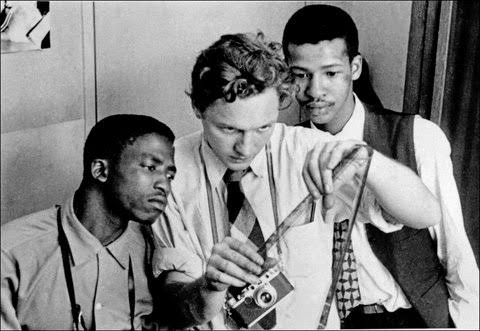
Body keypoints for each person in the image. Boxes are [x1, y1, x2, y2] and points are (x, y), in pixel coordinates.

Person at [151, 31, 442, 330]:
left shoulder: (306, 150)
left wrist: (368, 159)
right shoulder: (168, 174)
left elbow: (425, 214)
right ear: (198, 109)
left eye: (263, 127)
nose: (246, 147)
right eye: (229, 129)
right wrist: (207, 288)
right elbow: (174, 308)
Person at [282, 4, 479, 329]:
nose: (315, 90)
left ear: (355, 67)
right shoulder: (286, 148)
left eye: (330, 73)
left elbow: (456, 252)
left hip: (408, 318)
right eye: (301, 75)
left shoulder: (417, 137)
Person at [1, 114, 177, 330]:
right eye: (151, 167)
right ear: (101, 171)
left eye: (170, 176)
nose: (165, 186)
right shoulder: (11, 252)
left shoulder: (153, 249)